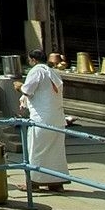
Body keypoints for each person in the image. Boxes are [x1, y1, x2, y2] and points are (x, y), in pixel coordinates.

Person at [18, 49, 67, 190]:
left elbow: (27, 90)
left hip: (41, 119)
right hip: (57, 119)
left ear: (33, 60)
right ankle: (56, 182)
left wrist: (18, 86)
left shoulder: (37, 71)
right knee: (55, 152)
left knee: (36, 150)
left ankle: (34, 182)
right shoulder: (53, 72)